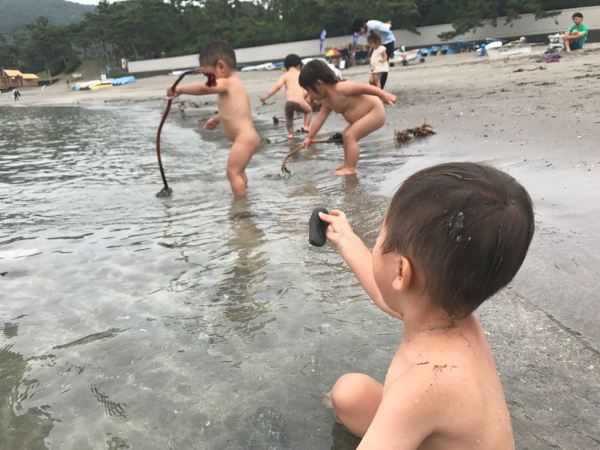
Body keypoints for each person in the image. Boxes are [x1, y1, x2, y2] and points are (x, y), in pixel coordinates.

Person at [319, 162, 534, 448]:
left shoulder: (426, 385)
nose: (377, 243)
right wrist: (346, 239)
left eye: (380, 236)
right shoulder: (449, 316)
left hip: (420, 408)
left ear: (400, 272)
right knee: (349, 393)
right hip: (434, 426)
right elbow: (384, 294)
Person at [167, 41, 260, 197]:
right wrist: (217, 119)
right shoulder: (232, 86)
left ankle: (241, 208)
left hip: (244, 139)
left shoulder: (227, 82)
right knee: (239, 172)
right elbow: (234, 111)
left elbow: (204, 88)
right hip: (248, 138)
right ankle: (244, 195)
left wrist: (180, 89)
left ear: (221, 67)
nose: (207, 78)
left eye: (207, 73)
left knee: (232, 173)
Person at [299, 60, 396, 176]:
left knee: (351, 135)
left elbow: (364, 88)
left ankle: (351, 168)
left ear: (319, 84)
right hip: (365, 115)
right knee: (345, 134)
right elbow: (319, 120)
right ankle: (347, 163)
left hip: (375, 111)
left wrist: (383, 95)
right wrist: (309, 137)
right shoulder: (328, 102)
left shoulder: (341, 88)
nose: (309, 96)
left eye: (309, 91)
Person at [260, 54, 312, 139]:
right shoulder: (302, 74)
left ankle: (290, 134)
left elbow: (278, 86)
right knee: (308, 111)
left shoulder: (284, 76)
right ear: (299, 66)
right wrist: (307, 98)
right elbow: (306, 89)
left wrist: (267, 95)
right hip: (300, 101)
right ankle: (306, 126)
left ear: (286, 67)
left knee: (289, 117)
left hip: (288, 103)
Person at [352, 18, 395, 90]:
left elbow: (386, 27)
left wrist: (388, 25)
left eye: (359, 31)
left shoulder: (373, 25)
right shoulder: (365, 30)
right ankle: (375, 85)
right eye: (356, 32)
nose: (358, 33)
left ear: (363, 25)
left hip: (387, 42)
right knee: (374, 63)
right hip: (376, 44)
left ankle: (380, 88)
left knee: (382, 66)